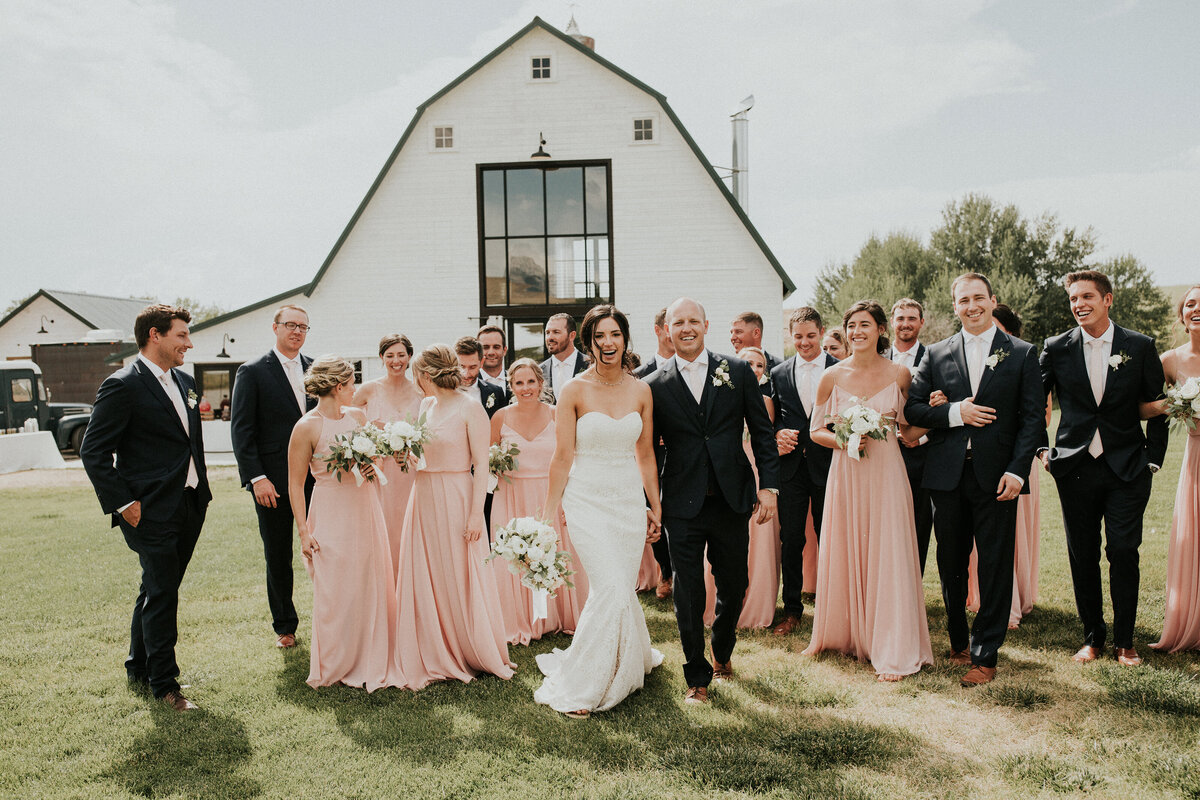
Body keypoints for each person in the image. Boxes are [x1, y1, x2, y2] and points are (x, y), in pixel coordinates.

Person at [906, 273, 1045, 687]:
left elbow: (1033, 420)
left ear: (992, 300)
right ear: (955, 306)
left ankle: (986, 654)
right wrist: (954, 413)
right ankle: (957, 640)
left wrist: (1018, 470)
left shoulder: (1021, 353)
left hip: (998, 476)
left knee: (995, 564)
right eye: (963, 300)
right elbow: (913, 411)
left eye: (979, 298)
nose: (972, 306)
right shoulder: (935, 353)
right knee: (950, 563)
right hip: (946, 475)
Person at [646, 297, 779, 704]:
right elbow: (647, 450)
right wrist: (650, 504)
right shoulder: (652, 384)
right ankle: (697, 677)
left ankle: (723, 650)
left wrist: (768, 487)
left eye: (692, 321)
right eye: (677, 323)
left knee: (734, 582)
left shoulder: (736, 370)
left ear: (706, 324)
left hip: (731, 497)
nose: (686, 328)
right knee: (687, 590)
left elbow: (761, 431)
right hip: (680, 503)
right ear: (667, 331)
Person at [80, 304, 211, 712]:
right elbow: (93, 451)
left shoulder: (187, 381)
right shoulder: (122, 384)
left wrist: (199, 489)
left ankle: (138, 665)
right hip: (148, 508)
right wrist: (123, 503)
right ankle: (165, 686)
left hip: (190, 501)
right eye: (182, 336)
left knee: (157, 588)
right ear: (155, 336)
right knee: (163, 593)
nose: (188, 343)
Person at [536, 305, 663, 717]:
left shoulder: (640, 390)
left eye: (615, 335)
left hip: (626, 499)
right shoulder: (573, 390)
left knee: (622, 588)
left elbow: (645, 455)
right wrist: (548, 513)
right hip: (586, 498)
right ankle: (585, 683)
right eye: (600, 337)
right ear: (588, 342)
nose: (608, 343)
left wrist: (654, 505)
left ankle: (628, 657)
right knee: (610, 586)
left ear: (625, 339)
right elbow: (561, 456)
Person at [1041, 270, 1168, 666]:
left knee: (1124, 551)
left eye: (1087, 297)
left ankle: (1125, 642)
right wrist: (1042, 451)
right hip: (1074, 467)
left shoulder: (1140, 345)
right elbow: (1033, 403)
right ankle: (1093, 637)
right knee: (1082, 554)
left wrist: (1153, 459)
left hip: (1127, 467)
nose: (1079, 304)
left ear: (1107, 299)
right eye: (1073, 299)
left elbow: (1158, 404)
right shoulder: (1056, 347)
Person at [803, 301, 932, 680]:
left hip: (888, 473)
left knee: (888, 549)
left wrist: (937, 418)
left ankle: (892, 644)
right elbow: (816, 430)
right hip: (848, 472)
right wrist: (846, 440)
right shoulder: (832, 376)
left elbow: (908, 430)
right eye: (852, 325)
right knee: (848, 544)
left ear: (880, 330)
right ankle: (844, 630)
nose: (857, 331)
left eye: (865, 325)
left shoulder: (900, 374)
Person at [393, 345, 514, 689]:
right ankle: (432, 645)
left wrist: (477, 515)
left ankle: (468, 646)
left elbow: (482, 464)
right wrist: (408, 456)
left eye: (415, 373)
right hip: (424, 495)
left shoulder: (470, 408)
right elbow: (419, 451)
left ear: (425, 375)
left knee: (459, 570)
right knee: (428, 570)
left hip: (458, 495)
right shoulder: (425, 406)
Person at [288, 356, 396, 691]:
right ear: (338, 387)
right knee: (334, 589)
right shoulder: (307, 426)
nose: (355, 390)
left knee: (368, 581)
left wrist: (371, 464)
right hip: (330, 509)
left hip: (364, 506)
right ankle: (334, 663)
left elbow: (373, 459)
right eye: (351, 384)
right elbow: (294, 483)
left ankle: (370, 654)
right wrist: (304, 531)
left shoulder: (357, 416)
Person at [488, 358, 589, 644]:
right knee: (517, 556)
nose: (525, 388)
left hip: (552, 496)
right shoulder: (500, 418)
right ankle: (521, 617)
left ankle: (560, 614)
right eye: (519, 383)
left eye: (531, 381)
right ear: (511, 386)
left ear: (541, 383)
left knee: (555, 552)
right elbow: (487, 459)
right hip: (512, 497)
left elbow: (573, 459)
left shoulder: (558, 414)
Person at [230, 304, 314, 649]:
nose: (297, 331)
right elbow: (242, 431)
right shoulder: (252, 372)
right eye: (291, 325)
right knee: (278, 554)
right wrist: (256, 478)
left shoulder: (315, 369)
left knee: (328, 547)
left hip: (318, 479)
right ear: (276, 327)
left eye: (303, 327)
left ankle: (333, 616)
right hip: (273, 482)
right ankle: (285, 626)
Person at [965, 304, 1047, 628]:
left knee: (1010, 538)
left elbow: (1039, 418)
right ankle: (980, 596)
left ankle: (1010, 600)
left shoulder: (1023, 360)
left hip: (1016, 461)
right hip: (981, 461)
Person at [702, 346, 781, 629]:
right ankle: (717, 604)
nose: (754, 368)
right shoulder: (719, 395)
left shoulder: (767, 401)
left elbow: (764, 436)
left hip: (755, 470)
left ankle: (756, 606)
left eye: (759, 365)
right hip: (726, 470)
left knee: (759, 543)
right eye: (748, 363)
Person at [770, 307, 838, 636]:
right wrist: (778, 432)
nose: (805, 342)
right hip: (791, 468)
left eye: (811, 336)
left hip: (830, 465)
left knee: (831, 536)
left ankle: (834, 608)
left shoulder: (840, 369)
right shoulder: (779, 372)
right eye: (798, 336)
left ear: (822, 332)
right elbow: (775, 417)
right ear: (790, 336)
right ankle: (792, 610)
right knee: (791, 539)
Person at [1147, 285, 1200, 652]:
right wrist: (1176, 406)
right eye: (1191, 303)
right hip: (1196, 460)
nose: (1196, 308)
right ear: (1182, 316)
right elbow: (1143, 406)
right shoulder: (1169, 361)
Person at [352, 334, 423, 573]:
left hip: (410, 473)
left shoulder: (421, 391)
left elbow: (428, 434)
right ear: (381, 357)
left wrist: (413, 452)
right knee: (381, 532)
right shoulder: (368, 390)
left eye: (401, 355)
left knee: (409, 531)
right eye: (390, 355)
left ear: (410, 357)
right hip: (378, 474)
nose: (396, 361)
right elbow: (350, 425)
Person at [888, 298, 934, 573]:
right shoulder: (877, 359)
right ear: (892, 322)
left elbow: (941, 404)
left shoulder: (935, 357)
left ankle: (913, 583)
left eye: (911, 318)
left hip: (921, 453)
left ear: (921, 323)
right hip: (884, 450)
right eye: (900, 318)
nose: (905, 324)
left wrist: (921, 437)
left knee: (918, 520)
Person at [634, 306, 675, 598]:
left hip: (686, 454)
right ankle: (666, 570)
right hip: (651, 455)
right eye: (670, 326)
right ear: (658, 330)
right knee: (653, 509)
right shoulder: (639, 375)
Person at [456, 336, 507, 418]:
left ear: (481, 362)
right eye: (461, 367)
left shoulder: (496, 392)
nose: (466, 374)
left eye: (472, 367)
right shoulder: (442, 391)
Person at [540, 313, 586, 401]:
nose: (550, 337)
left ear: (572, 335)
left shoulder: (590, 365)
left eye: (556, 332)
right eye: (547, 333)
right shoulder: (539, 371)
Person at [478, 324, 511, 399]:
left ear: (504, 350)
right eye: (486, 347)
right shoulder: (471, 382)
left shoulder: (514, 380)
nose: (491, 352)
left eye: (496, 347)